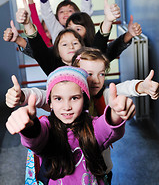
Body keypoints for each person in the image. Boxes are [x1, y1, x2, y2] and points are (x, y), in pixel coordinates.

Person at [6, 66, 136, 184]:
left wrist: (117, 112)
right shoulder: (47, 125)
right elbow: (36, 139)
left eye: (74, 98)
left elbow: (107, 128)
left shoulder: (93, 125)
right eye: (58, 99)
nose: (67, 107)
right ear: (50, 102)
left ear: (84, 100)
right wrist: (30, 126)